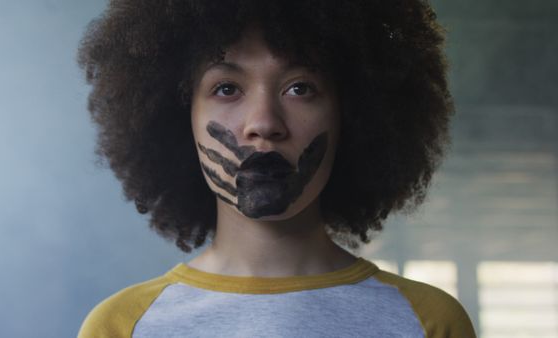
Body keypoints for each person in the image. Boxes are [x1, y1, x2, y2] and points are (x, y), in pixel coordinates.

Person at [76, 0, 476, 337]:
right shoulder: (121, 327)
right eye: (227, 88)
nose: (264, 123)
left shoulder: (429, 323)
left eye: (299, 88)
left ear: (351, 116)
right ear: (180, 117)